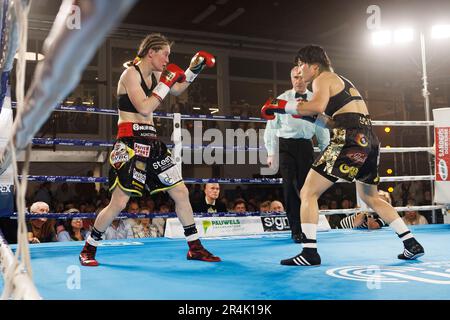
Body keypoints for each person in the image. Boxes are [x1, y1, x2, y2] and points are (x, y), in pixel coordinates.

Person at [261, 45, 424, 266]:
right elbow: (333, 121)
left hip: (349, 138)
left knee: (307, 192)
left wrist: (284, 106)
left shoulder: (322, 78)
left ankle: (309, 253)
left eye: (301, 64)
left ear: (314, 66)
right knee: (370, 197)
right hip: (369, 139)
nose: (299, 70)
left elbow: (317, 107)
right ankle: (411, 243)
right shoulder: (341, 81)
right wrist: (295, 112)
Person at [79, 33, 220, 266]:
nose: (167, 59)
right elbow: (145, 108)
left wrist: (196, 67)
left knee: (181, 192)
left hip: (153, 143)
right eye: (165, 54)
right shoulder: (130, 75)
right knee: (119, 203)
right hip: (130, 143)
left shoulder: (155, 74)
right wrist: (165, 83)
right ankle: (89, 249)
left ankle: (195, 247)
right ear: (151, 52)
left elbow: (177, 89)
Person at [264, 66, 329, 243]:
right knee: (290, 187)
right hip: (285, 146)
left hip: (306, 146)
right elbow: (271, 128)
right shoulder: (281, 99)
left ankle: (308, 229)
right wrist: (270, 153)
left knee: (307, 189)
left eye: (301, 77)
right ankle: (295, 230)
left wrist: (326, 149)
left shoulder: (316, 100)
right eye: (295, 77)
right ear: (291, 78)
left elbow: (322, 127)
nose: (299, 80)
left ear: (306, 79)